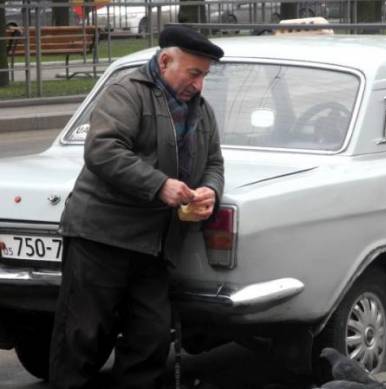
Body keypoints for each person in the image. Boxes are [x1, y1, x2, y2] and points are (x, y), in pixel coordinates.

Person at [49, 25, 225, 389]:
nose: (199, 84)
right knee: (82, 338)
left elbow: (214, 163)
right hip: (101, 237)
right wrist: (158, 185)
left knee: (150, 339)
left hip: (155, 246)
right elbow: (103, 149)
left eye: (205, 76)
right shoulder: (126, 93)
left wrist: (210, 190)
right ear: (165, 61)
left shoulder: (201, 111)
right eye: (194, 73)